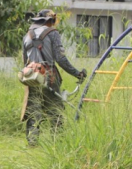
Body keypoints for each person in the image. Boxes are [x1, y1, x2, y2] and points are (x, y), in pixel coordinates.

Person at [21, 9, 86, 145]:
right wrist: (77, 73)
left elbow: (24, 61)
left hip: (30, 77)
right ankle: (58, 143)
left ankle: (32, 143)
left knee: (34, 111)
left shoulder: (27, 35)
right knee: (55, 111)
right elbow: (60, 59)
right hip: (48, 76)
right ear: (49, 21)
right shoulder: (52, 33)